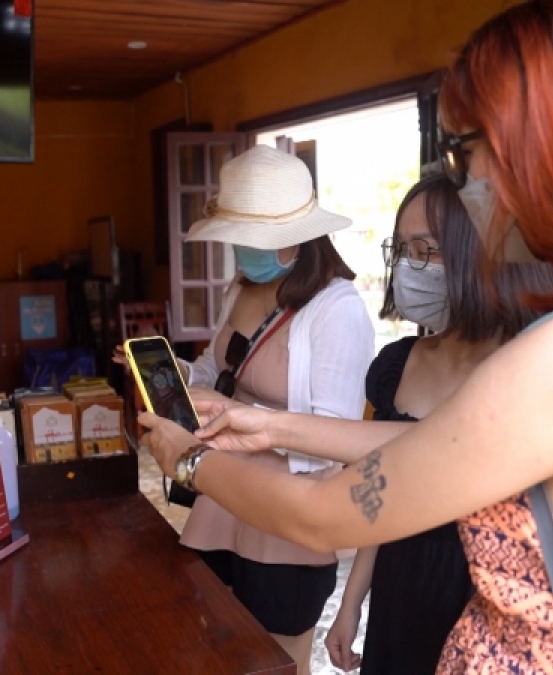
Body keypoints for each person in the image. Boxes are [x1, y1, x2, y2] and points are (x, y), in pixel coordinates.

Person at [141, 1, 553, 672]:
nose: (465, 182)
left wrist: (189, 460)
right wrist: (271, 427)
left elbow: (323, 512)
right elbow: (447, 446)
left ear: (542, 149)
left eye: (463, 151)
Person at [325, 173, 553, 674]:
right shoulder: (396, 366)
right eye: (403, 249)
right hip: (398, 591)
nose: (410, 266)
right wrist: (351, 603)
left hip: (483, 603)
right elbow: (381, 496)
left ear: (478, 255)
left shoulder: (526, 370)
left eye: (425, 250)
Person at [172, 144, 375, 675]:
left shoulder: (336, 309)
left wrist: (245, 417)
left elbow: (336, 434)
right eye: (238, 238)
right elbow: (216, 370)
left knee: (277, 660)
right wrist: (176, 376)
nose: (243, 251)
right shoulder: (240, 288)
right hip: (225, 492)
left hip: (286, 508)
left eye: (255, 238)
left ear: (300, 237)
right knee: (214, 646)